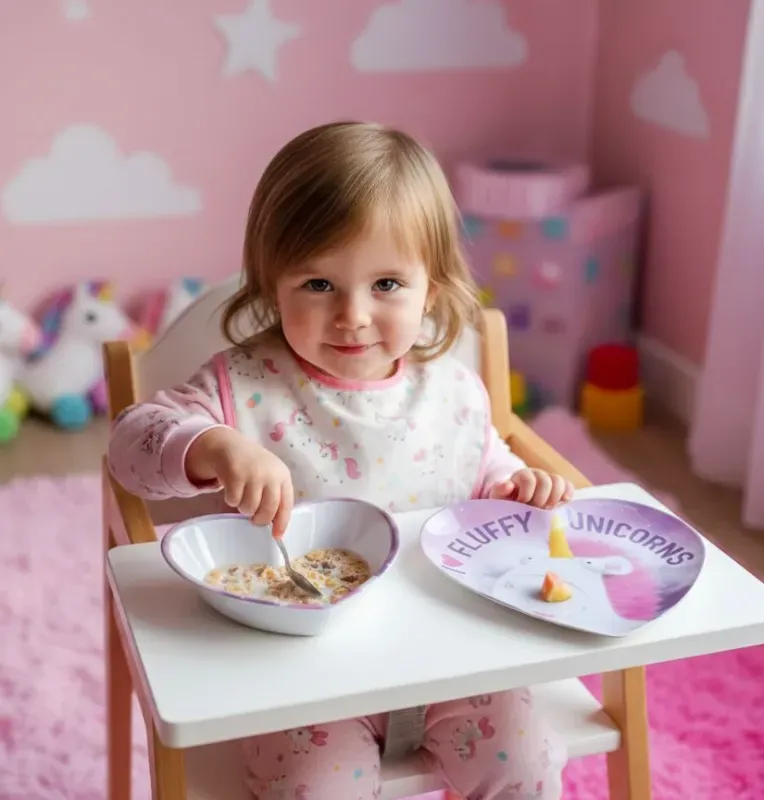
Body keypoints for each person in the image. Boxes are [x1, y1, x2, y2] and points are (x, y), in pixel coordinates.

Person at [108, 121, 573, 800]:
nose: (353, 315)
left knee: (525, 764)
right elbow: (130, 444)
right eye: (320, 284)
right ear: (273, 286)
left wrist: (515, 488)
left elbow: (483, 467)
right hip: (303, 671)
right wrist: (214, 445)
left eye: (386, 283)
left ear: (431, 290)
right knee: (317, 789)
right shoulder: (244, 386)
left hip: (451, 656)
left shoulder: (450, 389)